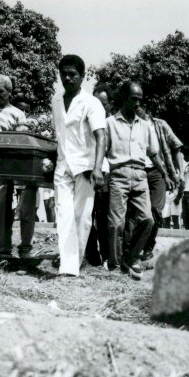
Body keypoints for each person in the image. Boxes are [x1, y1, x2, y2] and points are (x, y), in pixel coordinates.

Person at [51, 54, 106, 276]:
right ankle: (68, 268)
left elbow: (101, 137)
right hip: (63, 166)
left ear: (82, 77)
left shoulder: (91, 103)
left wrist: (98, 168)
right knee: (64, 215)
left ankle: (76, 261)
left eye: (72, 74)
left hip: (85, 166)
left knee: (82, 217)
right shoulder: (56, 101)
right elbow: (59, 135)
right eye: (63, 74)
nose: (67, 78)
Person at [105, 80, 157, 280]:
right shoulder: (109, 123)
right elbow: (102, 149)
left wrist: (169, 173)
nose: (137, 104)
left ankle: (130, 258)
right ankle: (116, 265)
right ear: (123, 98)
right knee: (116, 223)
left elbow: (154, 153)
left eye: (140, 100)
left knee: (147, 219)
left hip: (140, 174)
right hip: (118, 174)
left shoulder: (145, 126)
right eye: (133, 99)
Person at [0, 74, 38, 259]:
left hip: (14, 164)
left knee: (26, 209)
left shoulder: (17, 114)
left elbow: (22, 140)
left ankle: (25, 247)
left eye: (1, 91)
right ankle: (3, 249)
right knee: (3, 208)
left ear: (9, 92)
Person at [137, 109, 179, 261]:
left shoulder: (160, 125)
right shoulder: (130, 124)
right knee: (139, 212)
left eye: (138, 104)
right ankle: (134, 248)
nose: (135, 107)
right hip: (138, 171)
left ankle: (148, 247)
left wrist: (175, 174)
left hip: (158, 172)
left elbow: (175, 147)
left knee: (156, 209)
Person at [84, 82, 113, 267]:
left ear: (109, 104)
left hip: (107, 173)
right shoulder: (86, 121)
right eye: (96, 102)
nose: (99, 106)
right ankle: (91, 255)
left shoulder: (112, 123)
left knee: (104, 217)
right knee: (88, 215)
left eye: (103, 103)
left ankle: (107, 255)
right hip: (88, 171)